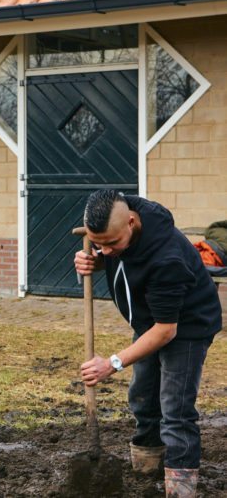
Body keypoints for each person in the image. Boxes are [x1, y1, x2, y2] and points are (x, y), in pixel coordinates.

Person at [74, 189, 221, 497]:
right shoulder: (119, 211)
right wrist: (95, 260)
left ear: (131, 223)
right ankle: (147, 466)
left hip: (187, 327)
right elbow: (114, 253)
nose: (106, 249)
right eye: (98, 242)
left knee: (175, 408)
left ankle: (180, 487)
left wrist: (111, 364)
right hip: (148, 323)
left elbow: (167, 331)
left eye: (112, 243)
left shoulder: (166, 258)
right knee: (143, 394)